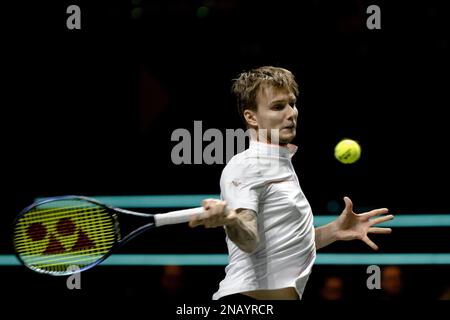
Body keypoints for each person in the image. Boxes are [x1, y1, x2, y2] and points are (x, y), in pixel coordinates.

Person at [189, 66, 394, 300]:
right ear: (251, 117)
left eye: (292, 104)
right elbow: (249, 239)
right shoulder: (247, 165)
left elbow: (283, 246)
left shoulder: (279, 162)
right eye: (278, 107)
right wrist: (233, 221)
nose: (291, 113)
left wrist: (335, 231)